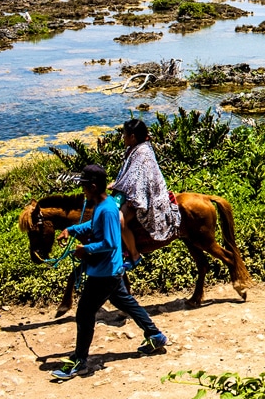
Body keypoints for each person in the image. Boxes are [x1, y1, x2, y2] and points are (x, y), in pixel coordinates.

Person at [50, 165, 168, 381]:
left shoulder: (106, 209)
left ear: (93, 186)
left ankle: (79, 361)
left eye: (85, 186)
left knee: (84, 314)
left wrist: (85, 250)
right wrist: (72, 230)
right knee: (126, 302)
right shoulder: (103, 206)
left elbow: (110, 242)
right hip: (111, 271)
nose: (83, 190)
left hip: (104, 273)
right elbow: (94, 227)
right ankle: (155, 335)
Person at [110, 119, 180, 270]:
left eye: (125, 134)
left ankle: (134, 255)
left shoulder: (142, 152)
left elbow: (141, 181)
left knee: (119, 220)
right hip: (135, 193)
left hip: (146, 197)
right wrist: (117, 184)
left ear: (133, 136)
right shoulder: (134, 149)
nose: (123, 137)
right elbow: (130, 176)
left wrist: (132, 198)